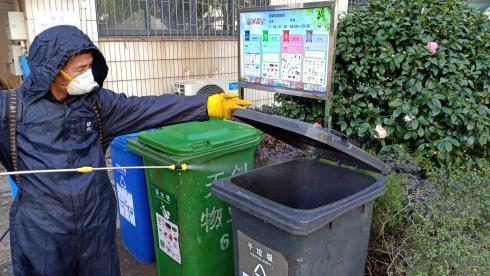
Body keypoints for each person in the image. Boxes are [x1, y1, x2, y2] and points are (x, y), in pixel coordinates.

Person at [0, 25, 250, 275]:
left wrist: (206, 105)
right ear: (53, 72)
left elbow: (147, 108)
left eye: (90, 66)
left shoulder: (96, 105)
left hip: (95, 222)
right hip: (41, 231)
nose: (88, 74)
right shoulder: (10, 111)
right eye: (80, 69)